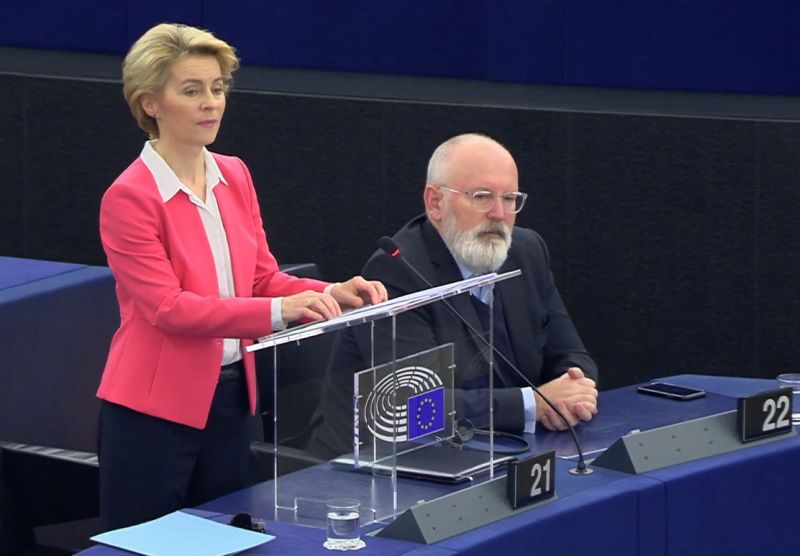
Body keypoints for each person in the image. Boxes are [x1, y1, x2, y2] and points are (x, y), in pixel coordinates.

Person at [96, 23, 387, 531]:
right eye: (192, 91)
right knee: (153, 543)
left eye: (217, 88)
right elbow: (169, 308)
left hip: (231, 402)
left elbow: (261, 279)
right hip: (153, 413)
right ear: (150, 104)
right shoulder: (129, 197)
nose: (211, 103)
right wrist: (280, 311)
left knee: (226, 537)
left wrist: (330, 293)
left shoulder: (235, 174)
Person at [307, 133, 598, 459]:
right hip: (374, 466)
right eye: (482, 197)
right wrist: (535, 403)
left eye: (510, 198)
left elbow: (572, 354)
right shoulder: (396, 271)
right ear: (435, 203)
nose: (499, 213)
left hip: (496, 450)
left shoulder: (527, 252)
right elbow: (415, 406)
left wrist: (575, 389)